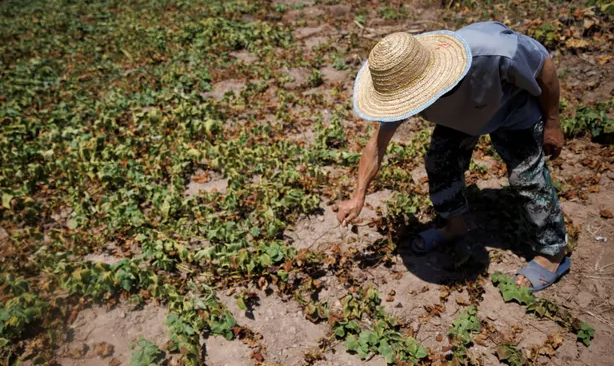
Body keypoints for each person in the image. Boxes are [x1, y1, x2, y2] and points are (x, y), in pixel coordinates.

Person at [336, 21, 569, 292]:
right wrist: (358, 195)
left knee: (527, 178)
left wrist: (553, 122)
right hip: (460, 117)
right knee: (440, 162)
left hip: (511, 106)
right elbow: (377, 144)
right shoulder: (400, 81)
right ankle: (454, 226)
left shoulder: (495, 53)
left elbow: (545, 68)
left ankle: (553, 252)